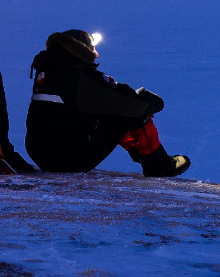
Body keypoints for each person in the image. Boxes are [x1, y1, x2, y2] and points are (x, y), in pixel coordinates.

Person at [25, 29, 190, 177]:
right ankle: (159, 165)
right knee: (129, 111)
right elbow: (130, 101)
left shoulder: (48, 71)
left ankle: (144, 155)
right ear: (82, 49)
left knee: (106, 109)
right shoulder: (81, 75)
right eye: (93, 47)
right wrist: (152, 102)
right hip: (69, 159)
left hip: (40, 153)